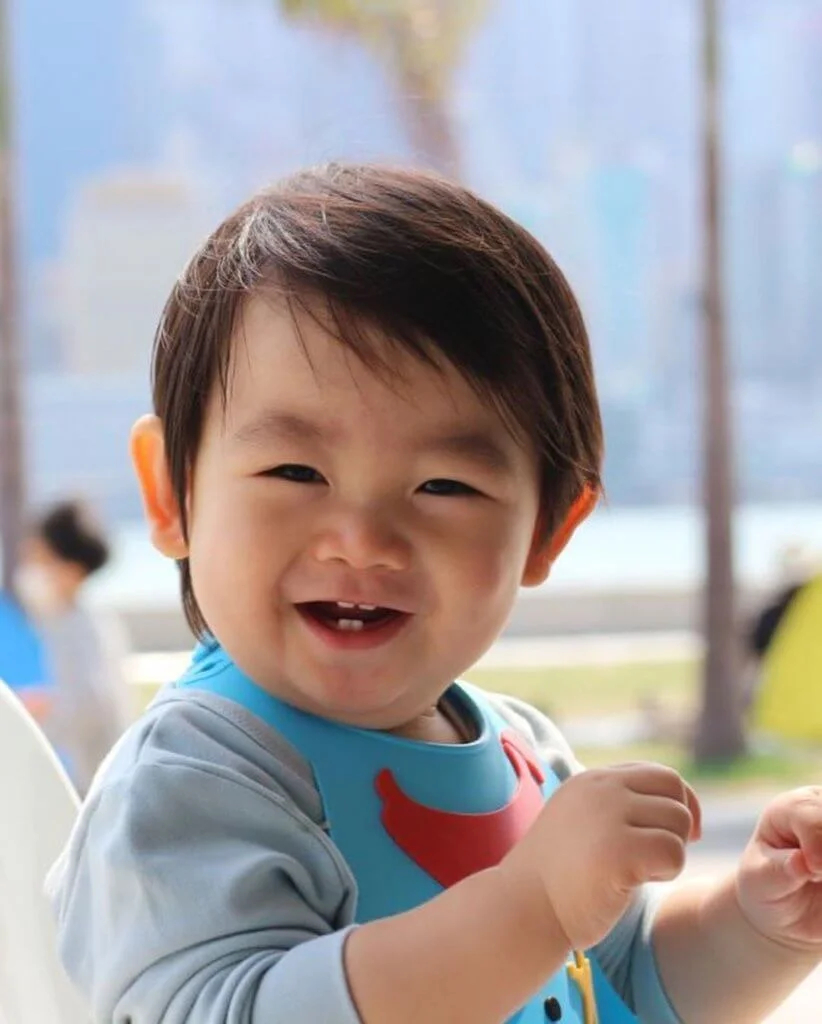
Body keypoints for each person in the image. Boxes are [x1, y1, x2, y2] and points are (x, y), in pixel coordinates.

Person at [48, 165, 822, 1024]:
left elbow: (617, 990)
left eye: (444, 486)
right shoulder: (193, 782)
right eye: (295, 471)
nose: (361, 539)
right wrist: (532, 905)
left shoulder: (527, 756)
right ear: (171, 493)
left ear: (548, 530)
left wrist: (762, 924)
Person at [16, 500, 129, 794]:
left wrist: (36, 719)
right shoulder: (63, 620)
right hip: (92, 777)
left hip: (102, 782)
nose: (31, 571)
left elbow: (90, 704)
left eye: (40, 559)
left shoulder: (84, 625)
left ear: (71, 569)